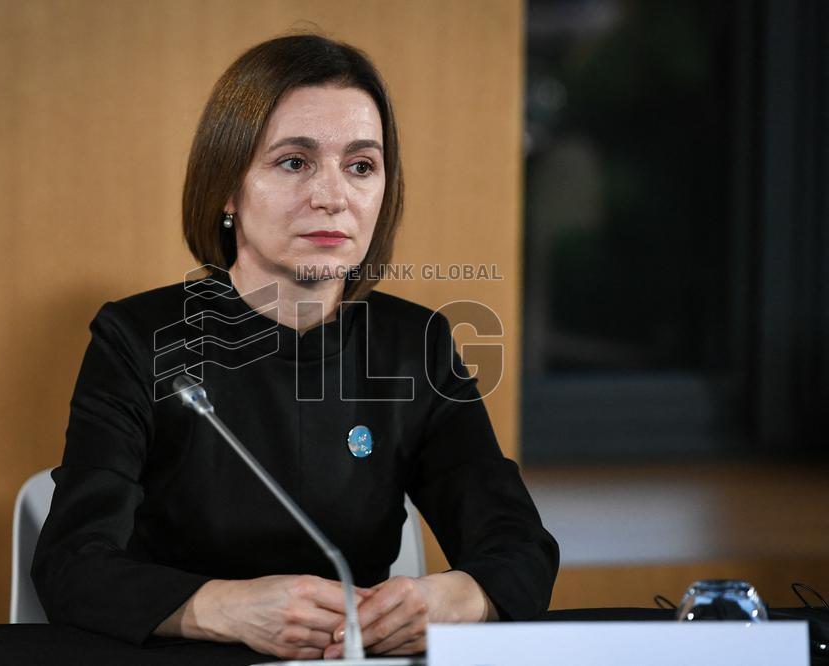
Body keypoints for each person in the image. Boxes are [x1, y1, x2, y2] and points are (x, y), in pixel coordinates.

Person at [32, 34, 559, 661]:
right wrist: (223, 607)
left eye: (361, 166)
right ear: (228, 188)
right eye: (294, 162)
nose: (333, 197)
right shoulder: (139, 339)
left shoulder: (415, 346)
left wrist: (460, 598)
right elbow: (72, 563)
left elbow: (519, 545)